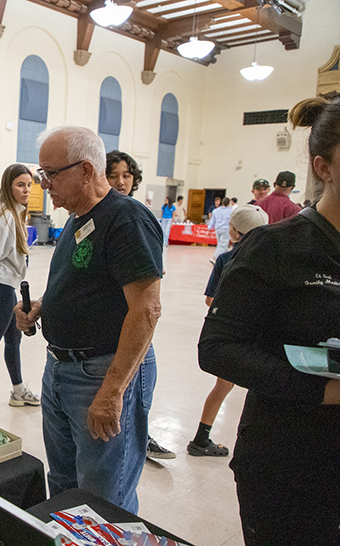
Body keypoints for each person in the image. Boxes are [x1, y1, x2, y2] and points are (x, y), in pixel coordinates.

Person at [198, 97, 340, 546]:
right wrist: (324, 390)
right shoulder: (275, 247)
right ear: (324, 167)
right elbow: (218, 348)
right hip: (290, 462)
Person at [15, 126, 162, 512]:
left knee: (102, 498)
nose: (43, 184)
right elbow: (85, 283)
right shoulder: (79, 217)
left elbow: (146, 310)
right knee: (64, 487)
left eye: (50, 173)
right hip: (61, 369)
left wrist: (113, 391)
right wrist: (42, 306)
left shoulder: (126, 219)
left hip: (102, 372)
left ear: (84, 170)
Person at [106, 151, 173, 460]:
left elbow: (148, 305)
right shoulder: (101, 214)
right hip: (110, 333)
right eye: (114, 175)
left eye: (127, 176)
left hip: (130, 332)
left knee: (132, 401)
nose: (121, 182)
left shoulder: (133, 216)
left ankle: (141, 437)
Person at [188, 204, 268, 458]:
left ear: (233, 232)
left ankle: (202, 437)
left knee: (224, 385)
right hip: (255, 335)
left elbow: (210, 299)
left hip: (229, 335)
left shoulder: (225, 259)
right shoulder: (269, 262)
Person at [0, 164, 39, 407]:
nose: (26, 190)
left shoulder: (13, 212)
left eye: (29, 185)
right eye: (20, 185)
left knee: (13, 340)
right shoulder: (4, 218)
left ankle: (18, 390)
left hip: (8, 289)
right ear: (8, 186)